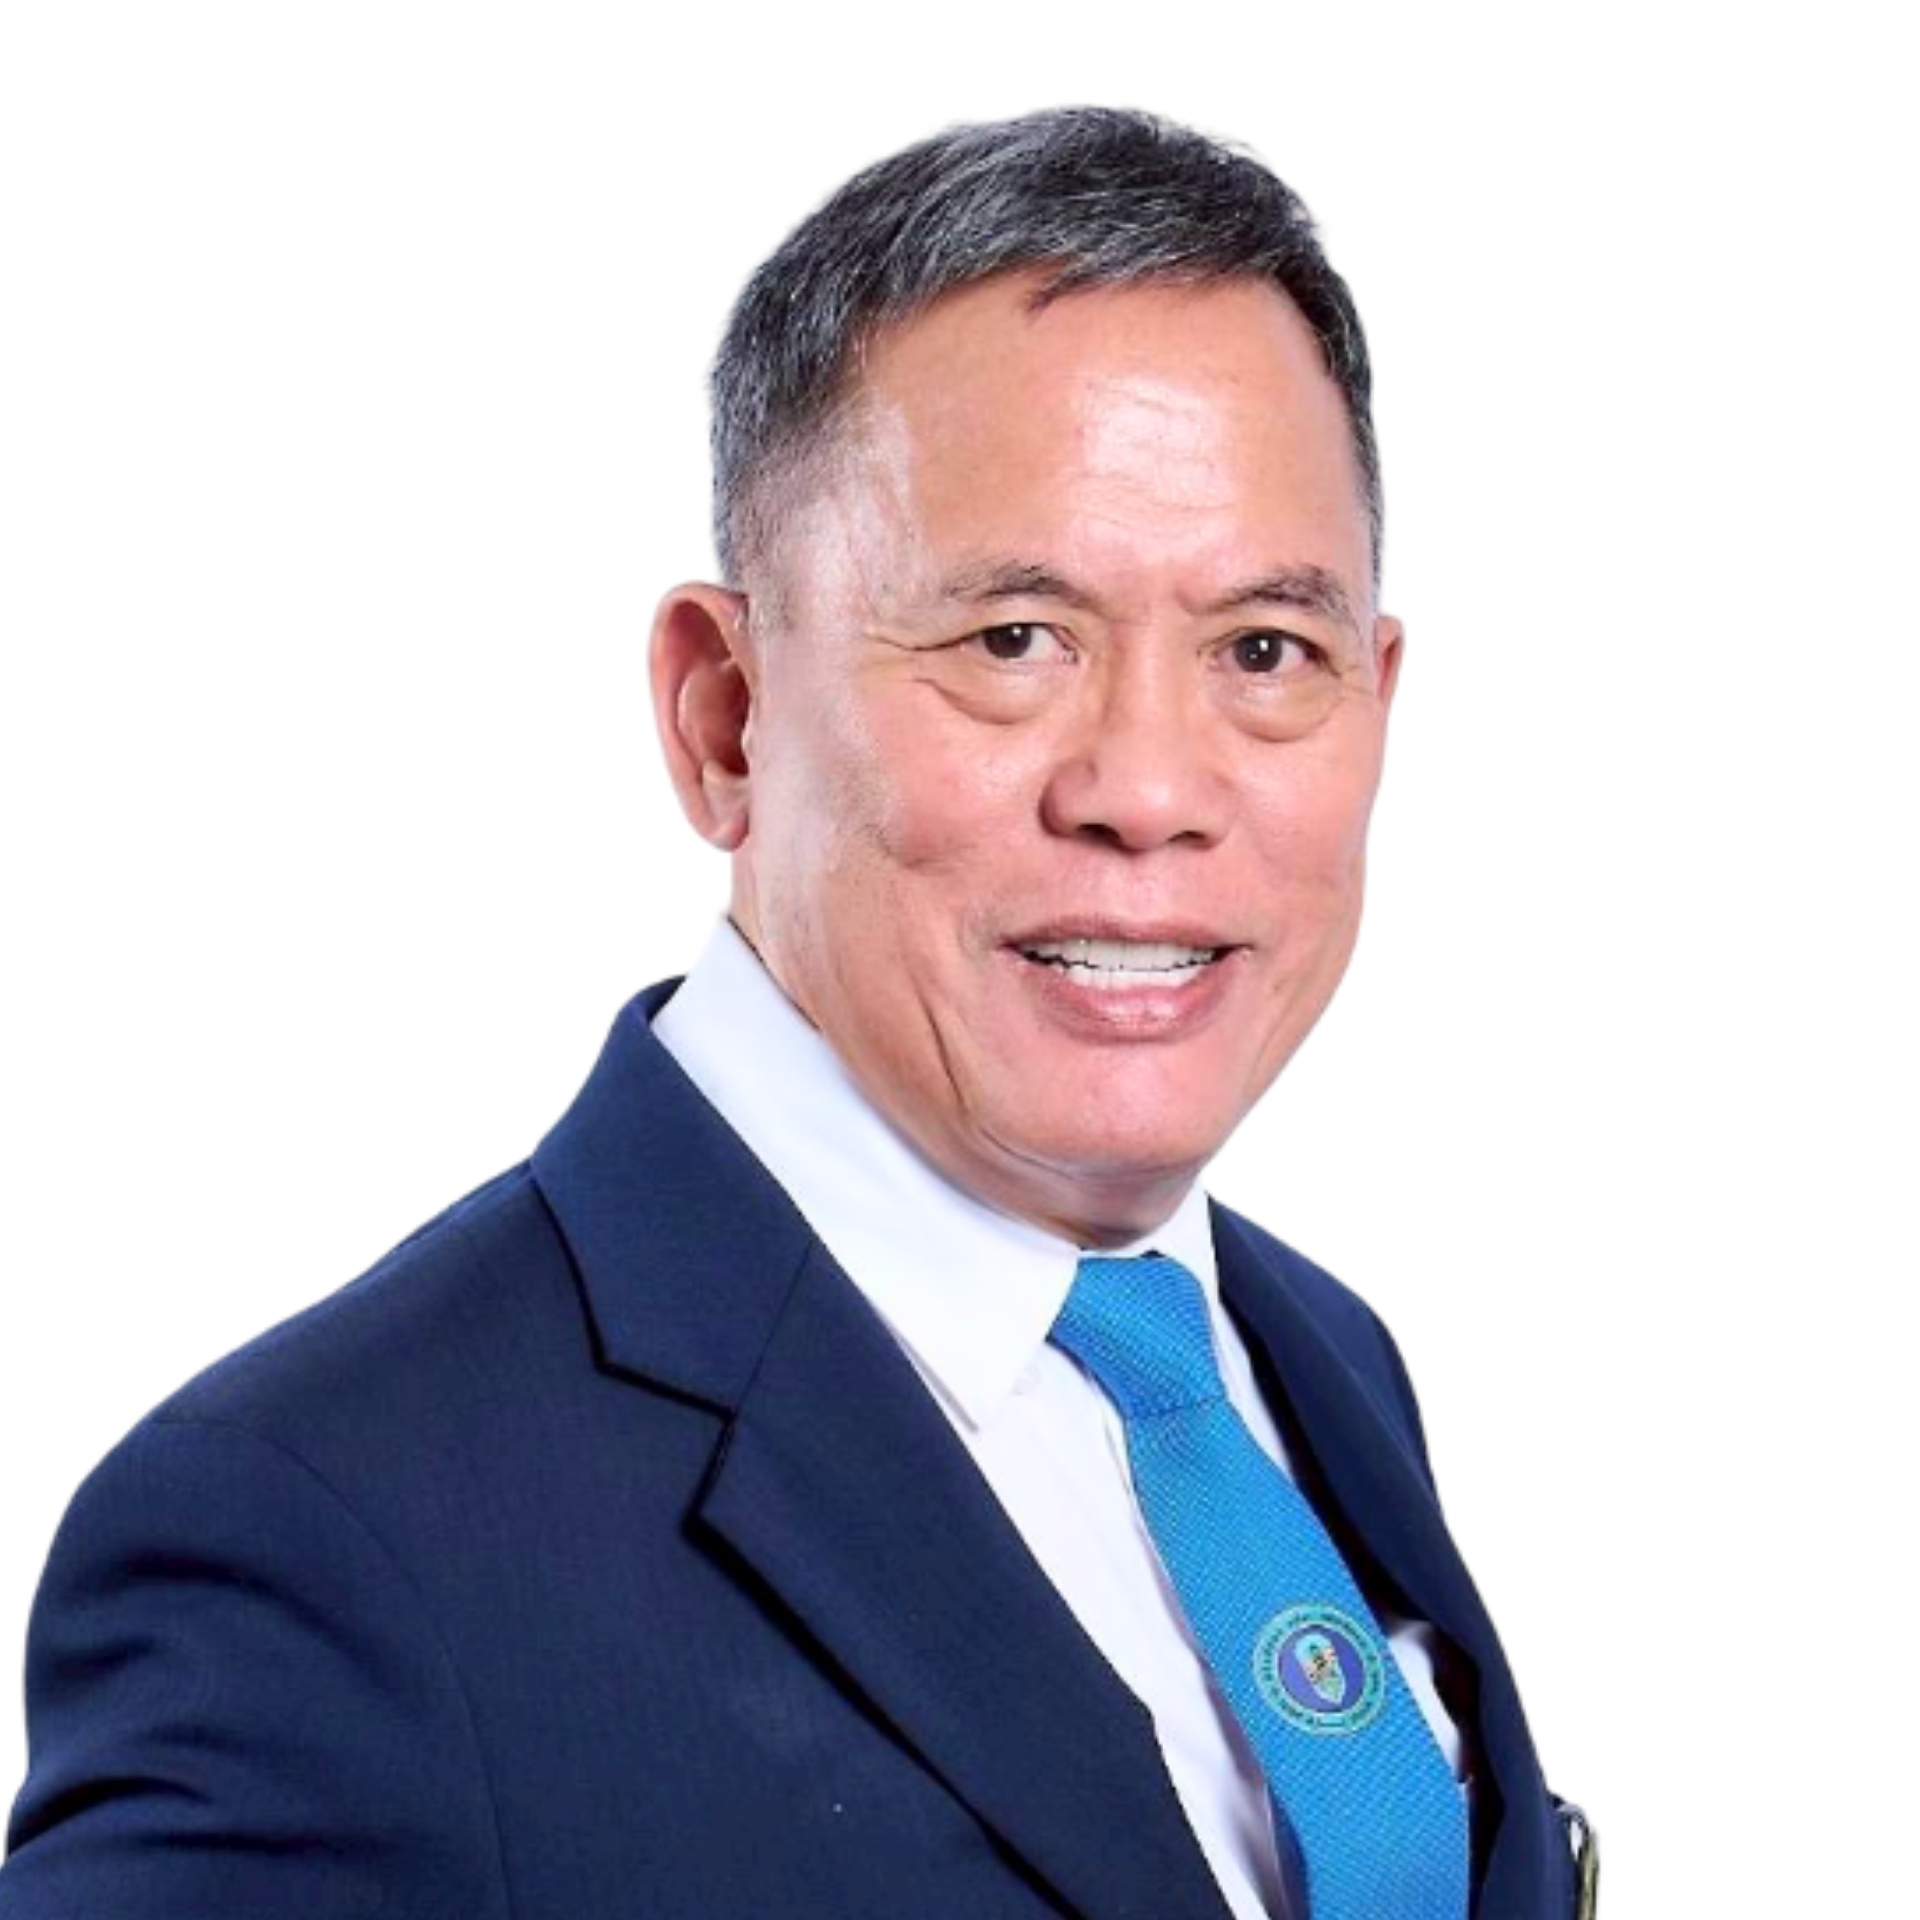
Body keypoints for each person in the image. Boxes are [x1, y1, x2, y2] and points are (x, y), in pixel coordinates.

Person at [0, 107, 1586, 1919]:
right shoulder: (322, 1547)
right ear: (724, 718)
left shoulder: (1309, 1363)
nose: (1150, 789)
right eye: (1014, 641)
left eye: (1263, 652)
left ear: (1377, 696)